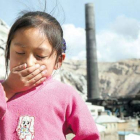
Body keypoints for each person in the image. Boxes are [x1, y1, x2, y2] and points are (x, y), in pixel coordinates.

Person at [0, 11, 100, 140]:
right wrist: (8, 88)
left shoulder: (65, 94)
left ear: (58, 61)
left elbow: (89, 136)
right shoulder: (2, 90)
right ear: (8, 52)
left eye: (40, 56)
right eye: (20, 52)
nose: (29, 62)